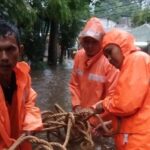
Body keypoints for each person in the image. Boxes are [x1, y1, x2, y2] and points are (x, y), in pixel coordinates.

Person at [94, 28, 150, 149]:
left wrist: (103, 105)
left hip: (140, 141)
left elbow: (125, 104)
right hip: (134, 138)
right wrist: (112, 124)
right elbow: (141, 108)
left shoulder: (136, 59)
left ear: (122, 44)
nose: (108, 59)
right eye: (105, 55)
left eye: (110, 51)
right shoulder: (131, 64)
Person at [69, 17, 119, 128]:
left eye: (94, 42)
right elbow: (74, 84)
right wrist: (76, 105)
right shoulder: (79, 56)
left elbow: (113, 95)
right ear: (82, 41)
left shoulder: (109, 62)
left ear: (101, 42)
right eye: (86, 41)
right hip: (80, 116)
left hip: (101, 120)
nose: (89, 46)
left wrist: (93, 111)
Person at [0, 20, 43, 149]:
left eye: (10, 49)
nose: (4, 57)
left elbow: (29, 102)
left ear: (20, 50)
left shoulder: (23, 77)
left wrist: (30, 125)